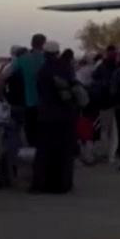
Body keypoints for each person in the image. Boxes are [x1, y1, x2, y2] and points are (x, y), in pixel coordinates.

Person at [31, 42, 80, 193]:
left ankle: (41, 183)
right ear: (57, 53)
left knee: (44, 152)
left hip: (46, 116)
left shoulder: (42, 71)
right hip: (66, 116)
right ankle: (63, 184)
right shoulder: (66, 69)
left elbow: (40, 92)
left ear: (45, 54)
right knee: (64, 152)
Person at [1, 34, 46, 147]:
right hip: (44, 101)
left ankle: (28, 149)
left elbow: (4, 76)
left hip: (27, 100)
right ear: (43, 44)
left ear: (31, 43)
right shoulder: (47, 59)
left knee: (27, 127)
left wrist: (1, 93)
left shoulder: (22, 59)